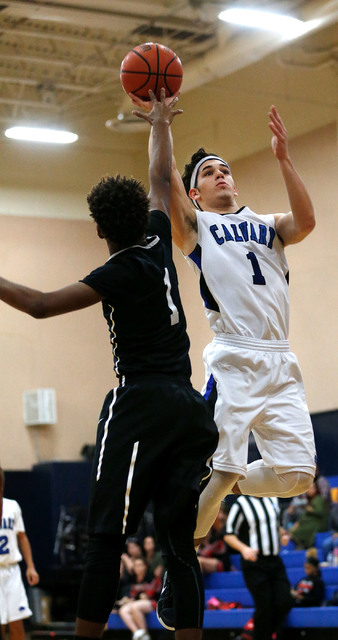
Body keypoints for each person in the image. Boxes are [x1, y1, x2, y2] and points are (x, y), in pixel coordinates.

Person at [0, 90, 218, 640]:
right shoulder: (157, 239)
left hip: (140, 404)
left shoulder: (117, 270)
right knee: (178, 546)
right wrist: (161, 121)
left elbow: (42, 304)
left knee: (104, 540)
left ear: (99, 228)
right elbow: (160, 173)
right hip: (190, 407)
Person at [129, 94, 317, 631]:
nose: (221, 174)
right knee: (227, 464)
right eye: (210, 172)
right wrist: (161, 125)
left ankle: (220, 485)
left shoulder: (268, 224)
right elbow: (162, 177)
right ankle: (177, 568)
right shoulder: (196, 230)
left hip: (281, 360)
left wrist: (283, 157)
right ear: (196, 192)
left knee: (298, 475)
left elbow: (306, 220)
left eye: (225, 169)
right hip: (234, 356)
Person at [224, 495, 293, 640]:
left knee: (284, 601)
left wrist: (282, 535)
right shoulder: (241, 503)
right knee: (264, 606)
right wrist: (244, 549)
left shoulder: (272, 498)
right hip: (254, 562)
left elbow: (275, 525)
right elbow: (228, 534)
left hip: (275, 560)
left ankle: (260, 635)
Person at [0, 469, 40, 640]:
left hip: (12, 570)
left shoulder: (12, 506)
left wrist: (30, 566)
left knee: (17, 621)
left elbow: (22, 537)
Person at [113, 556, 162, 640]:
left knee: (135, 606)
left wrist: (139, 597)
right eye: (136, 565)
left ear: (145, 566)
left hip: (154, 602)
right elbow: (133, 596)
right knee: (123, 610)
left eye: (140, 565)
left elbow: (148, 596)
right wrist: (126, 600)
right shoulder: (133, 579)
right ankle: (137, 633)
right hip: (138, 603)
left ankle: (145, 634)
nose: (137, 568)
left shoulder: (151, 577)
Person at [289, 481, 330, 549]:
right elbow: (304, 515)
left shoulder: (318, 499)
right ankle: (301, 545)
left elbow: (320, 512)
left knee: (297, 531)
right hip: (310, 522)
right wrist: (298, 522)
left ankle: (303, 545)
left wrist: (309, 509)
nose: (309, 490)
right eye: (308, 488)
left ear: (316, 489)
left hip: (318, 523)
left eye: (312, 488)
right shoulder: (309, 500)